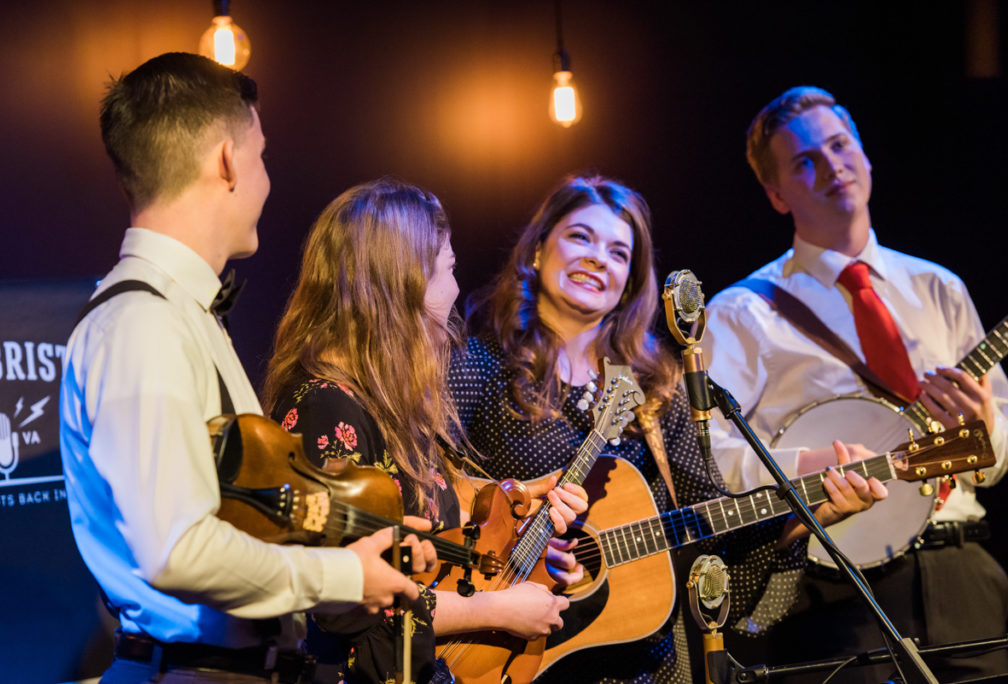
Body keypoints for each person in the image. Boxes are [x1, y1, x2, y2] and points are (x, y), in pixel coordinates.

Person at [59, 53, 433, 684]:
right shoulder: (144, 325)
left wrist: (361, 555)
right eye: (261, 157)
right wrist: (341, 575)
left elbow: (224, 527)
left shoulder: (181, 314)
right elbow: (176, 550)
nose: (265, 179)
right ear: (228, 161)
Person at [448, 173, 885, 683]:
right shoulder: (477, 365)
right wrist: (517, 533)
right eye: (580, 237)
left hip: (641, 667)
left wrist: (808, 515)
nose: (597, 259)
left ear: (631, 282)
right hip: (505, 652)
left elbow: (706, 527)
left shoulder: (655, 389)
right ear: (539, 250)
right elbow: (431, 488)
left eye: (618, 252)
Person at [703, 85, 1008, 680]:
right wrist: (805, 467)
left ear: (865, 155)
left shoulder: (938, 288)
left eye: (841, 145)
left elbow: (995, 452)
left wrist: (985, 429)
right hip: (835, 585)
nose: (832, 166)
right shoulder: (740, 311)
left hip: (964, 568)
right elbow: (709, 454)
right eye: (804, 161)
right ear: (775, 194)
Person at [261, 178, 589, 683]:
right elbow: (344, 600)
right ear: (405, 283)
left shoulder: (380, 400)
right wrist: (499, 609)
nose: (456, 287)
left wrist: (520, 505)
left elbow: (427, 541)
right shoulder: (329, 410)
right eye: (449, 268)